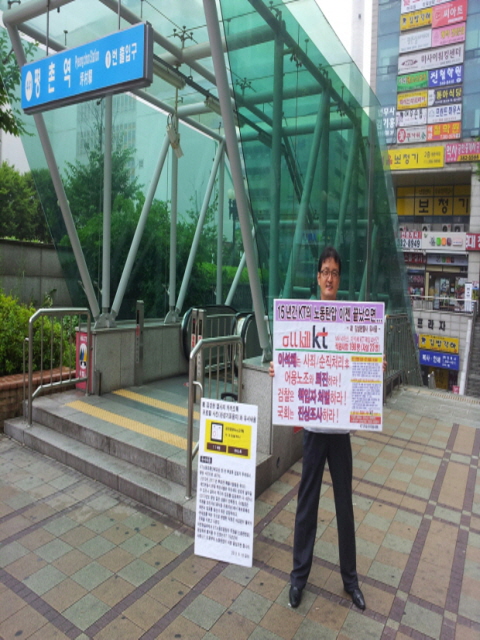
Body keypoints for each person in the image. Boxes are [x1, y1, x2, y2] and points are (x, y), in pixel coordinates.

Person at [270, 246, 382, 611]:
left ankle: (351, 581)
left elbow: (360, 362)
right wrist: (278, 369)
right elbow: (291, 355)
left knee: (344, 507)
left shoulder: (351, 319)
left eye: (335, 272)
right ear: (317, 278)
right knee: (307, 503)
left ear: (339, 278)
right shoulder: (304, 318)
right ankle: (298, 577)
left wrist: (374, 367)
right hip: (315, 431)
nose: (330, 278)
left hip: (340, 434)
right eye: (325, 272)